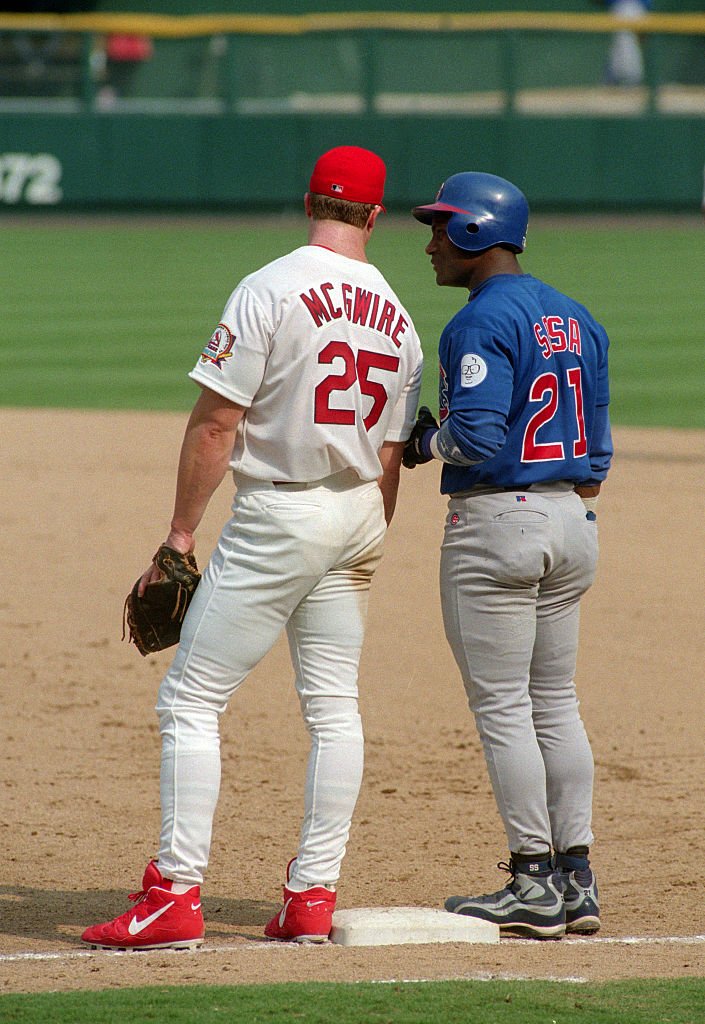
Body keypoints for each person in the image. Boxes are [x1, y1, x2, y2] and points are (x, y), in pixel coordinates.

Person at [81, 145, 423, 950]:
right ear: (375, 217)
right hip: (359, 515)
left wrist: (179, 534)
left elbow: (216, 422)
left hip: (281, 514)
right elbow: (386, 457)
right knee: (334, 708)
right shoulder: (400, 318)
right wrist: (360, 542)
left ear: (308, 200)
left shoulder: (271, 286)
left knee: (190, 700)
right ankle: (310, 897)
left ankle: (173, 896)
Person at [403, 171, 612, 940]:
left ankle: (530, 879)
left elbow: (479, 437)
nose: (428, 244)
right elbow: (595, 456)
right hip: (571, 520)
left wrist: (426, 443)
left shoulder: (478, 321)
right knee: (555, 702)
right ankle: (575, 880)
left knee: (502, 709)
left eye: (438, 228)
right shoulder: (577, 316)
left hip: (497, 526)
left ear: (473, 234)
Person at [593, 0, 653, 86]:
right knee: (623, 45)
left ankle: (626, 79)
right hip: (631, 8)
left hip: (627, 8)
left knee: (625, 44)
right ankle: (617, 79)